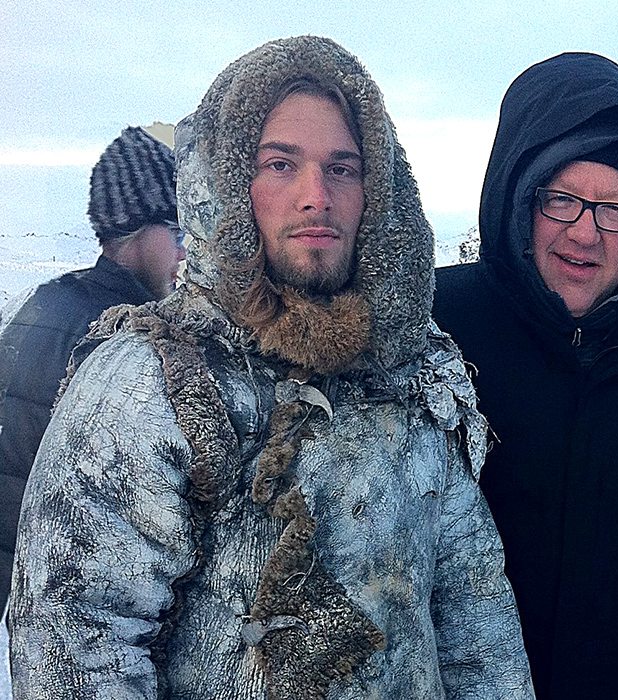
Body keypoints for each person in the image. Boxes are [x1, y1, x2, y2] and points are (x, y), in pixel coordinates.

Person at [7, 36, 533, 699]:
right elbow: (76, 648)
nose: (317, 195)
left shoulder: (412, 377)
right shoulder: (150, 383)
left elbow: (473, 611)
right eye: (281, 164)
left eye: (343, 168)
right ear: (225, 185)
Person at [434, 52, 618, 699]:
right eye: (563, 199)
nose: (586, 233)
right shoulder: (437, 328)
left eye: (616, 209)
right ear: (522, 201)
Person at [0, 125, 183, 611]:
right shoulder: (122, 338)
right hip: (62, 589)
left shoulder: (45, 301)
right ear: (138, 228)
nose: (185, 251)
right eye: (177, 230)